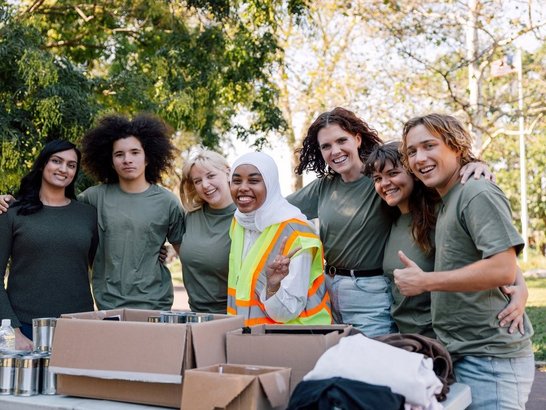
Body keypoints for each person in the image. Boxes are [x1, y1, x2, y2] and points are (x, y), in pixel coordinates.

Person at [396, 113, 534, 409]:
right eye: (412, 151)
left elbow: (502, 267)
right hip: (464, 354)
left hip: (490, 360)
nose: (420, 158)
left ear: (456, 146)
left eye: (429, 146)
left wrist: (425, 282)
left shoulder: (476, 192)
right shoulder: (448, 199)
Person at [365, 141, 528, 338]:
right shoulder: (391, 219)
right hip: (407, 338)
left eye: (393, 174)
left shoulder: (439, 214)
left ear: (413, 173)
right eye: (377, 178)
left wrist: (521, 289)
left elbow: (500, 259)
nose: (384, 183)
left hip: (441, 340)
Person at [78, 113, 184, 310]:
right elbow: (55, 211)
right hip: (108, 304)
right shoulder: (93, 198)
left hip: (155, 304)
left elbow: (188, 256)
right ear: (110, 161)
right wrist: (12, 202)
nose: (127, 159)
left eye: (135, 152)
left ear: (147, 158)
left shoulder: (168, 202)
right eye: (119, 154)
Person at [0, 140, 97, 350]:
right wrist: (13, 331)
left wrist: (158, 251)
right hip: (25, 328)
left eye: (71, 165)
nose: (64, 169)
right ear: (43, 164)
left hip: (79, 326)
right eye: (56, 161)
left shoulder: (88, 215)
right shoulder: (12, 212)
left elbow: (104, 262)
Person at [227, 152, 331, 325]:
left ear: (270, 184)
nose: (243, 187)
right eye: (236, 181)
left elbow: (288, 312)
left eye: (254, 181)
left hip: (290, 341)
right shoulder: (239, 222)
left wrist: (273, 287)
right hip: (246, 338)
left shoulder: (297, 232)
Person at [179, 149, 235, 313]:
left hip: (233, 315)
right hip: (196, 315)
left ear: (227, 173)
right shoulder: (190, 218)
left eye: (211, 176)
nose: (205, 185)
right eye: (197, 181)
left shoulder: (246, 218)